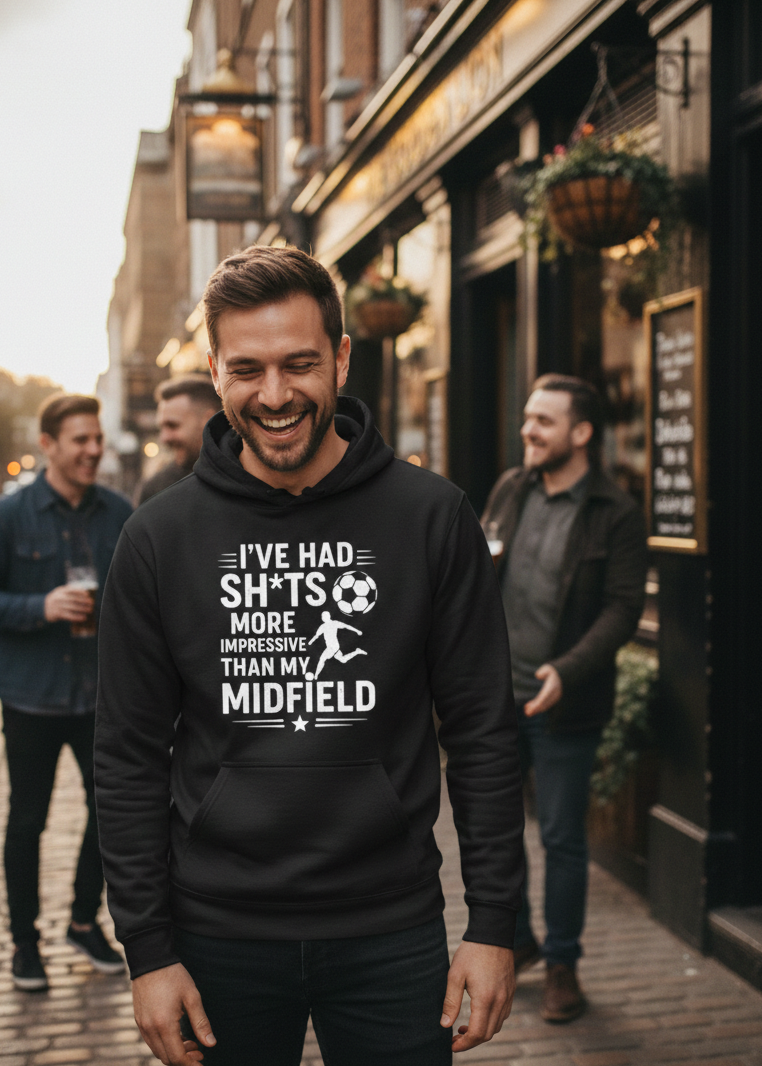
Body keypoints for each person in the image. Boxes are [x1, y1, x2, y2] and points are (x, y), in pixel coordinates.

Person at [94, 246, 525, 1066]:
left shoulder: (431, 516)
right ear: (215, 371)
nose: (276, 394)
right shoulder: (158, 538)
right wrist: (147, 949)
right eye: (247, 369)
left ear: (341, 358)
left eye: (299, 364)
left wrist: (494, 922)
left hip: (391, 929)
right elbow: (126, 755)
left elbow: (481, 730)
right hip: (215, 935)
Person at [480, 374, 647, 1024]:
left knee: (560, 838)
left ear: (581, 433)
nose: (528, 430)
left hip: (563, 703)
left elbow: (622, 609)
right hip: (497, 697)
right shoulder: (510, 487)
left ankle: (563, 966)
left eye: (543, 421)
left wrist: (567, 672)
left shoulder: (614, 512)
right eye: (527, 417)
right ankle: (518, 941)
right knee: (498, 832)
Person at [0, 394, 133, 991]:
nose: (92, 450)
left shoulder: (119, 512)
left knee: (110, 818)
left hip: (100, 698)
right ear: (49, 444)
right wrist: (41, 606)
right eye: (79, 440)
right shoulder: (6, 518)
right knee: (26, 822)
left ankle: (85, 921)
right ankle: (24, 943)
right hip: (31, 698)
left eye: (96, 439)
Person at [134, 374, 222, 506]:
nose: (164, 438)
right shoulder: (155, 490)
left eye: (172, 425)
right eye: (162, 428)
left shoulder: (248, 478)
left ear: (208, 420)